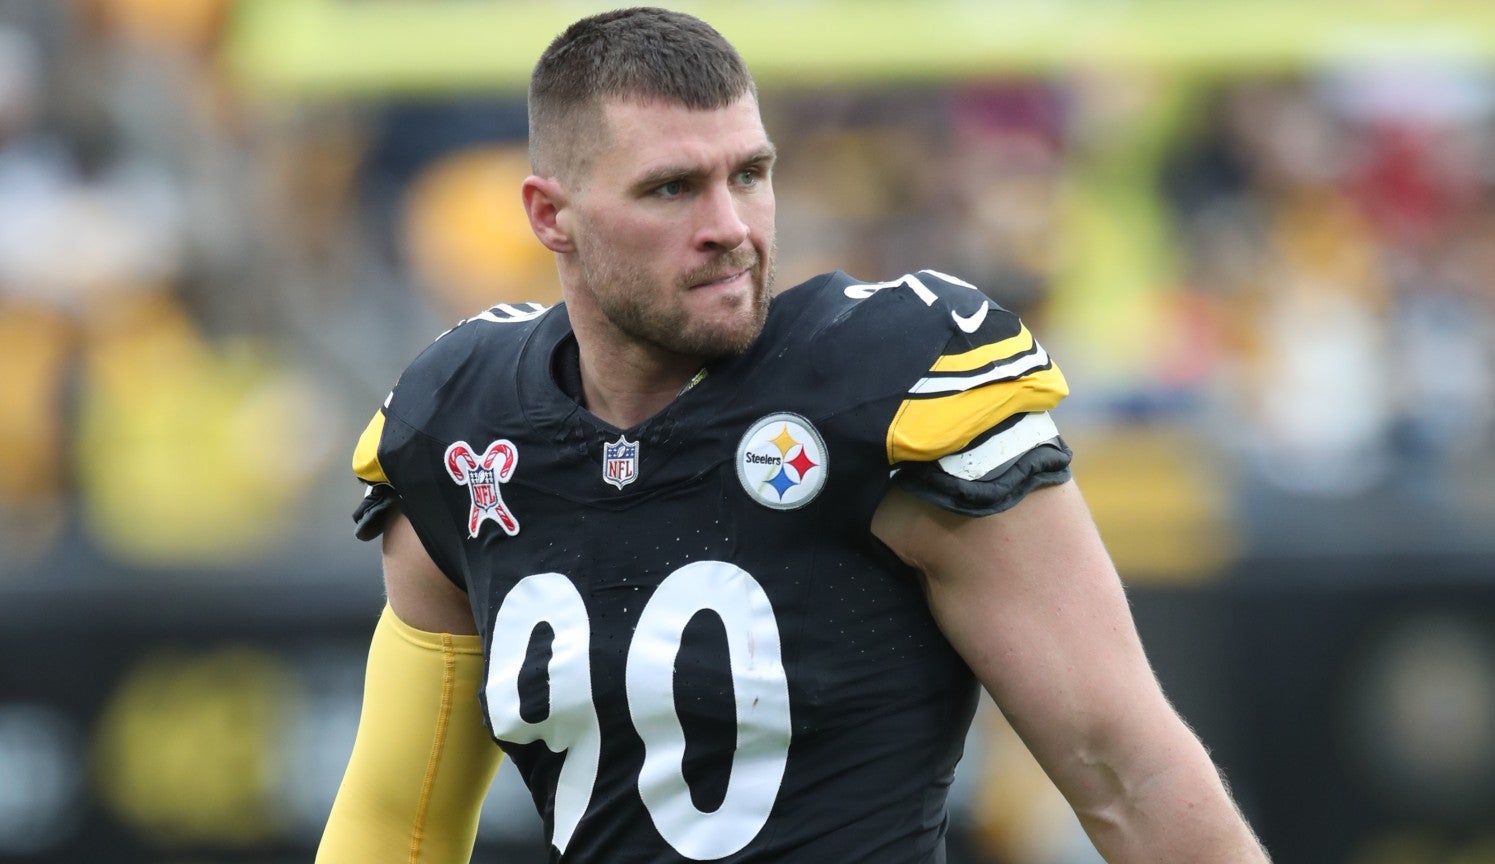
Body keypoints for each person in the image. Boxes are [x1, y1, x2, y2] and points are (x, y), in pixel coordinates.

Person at [317, 7, 1271, 863]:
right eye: (671, 189)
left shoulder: (883, 388)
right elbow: (395, 823)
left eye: (752, 173)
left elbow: (1126, 772)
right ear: (550, 217)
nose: (730, 226)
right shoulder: (468, 427)